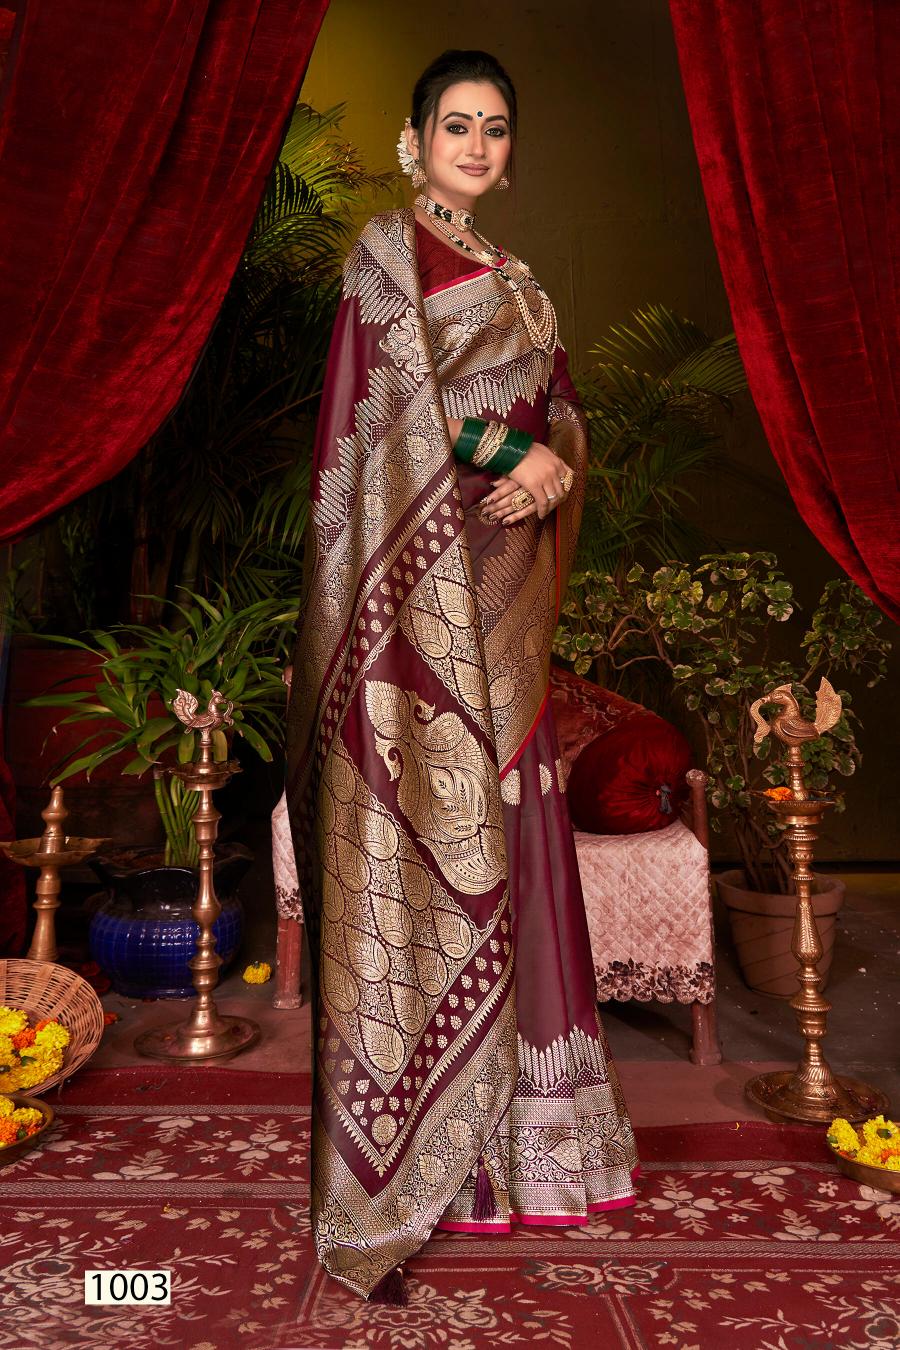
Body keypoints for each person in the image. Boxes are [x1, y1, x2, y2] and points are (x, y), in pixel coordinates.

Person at [284, 48, 638, 1305]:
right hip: (419, 612)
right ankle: (436, 1162)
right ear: (413, 138)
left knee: (518, 828)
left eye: (495, 129)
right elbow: (391, 410)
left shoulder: (519, 281)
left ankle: (530, 1155)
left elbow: (563, 412)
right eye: (457, 126)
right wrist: (510, 453)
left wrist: (552, 469)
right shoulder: (386, 259)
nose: (477, 147)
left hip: (505, 593)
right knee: (439, 828)